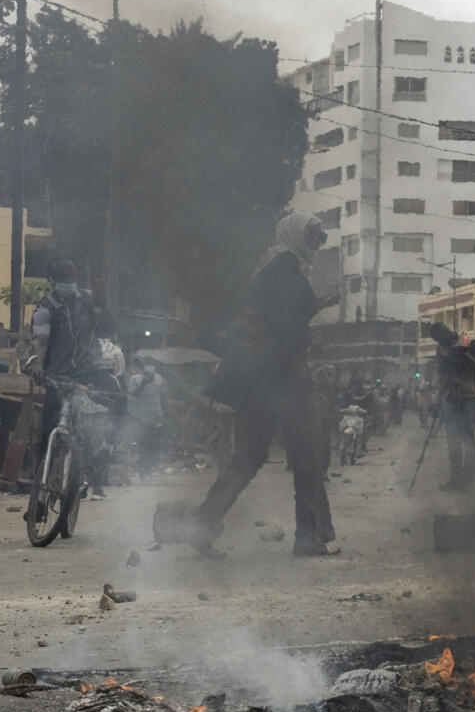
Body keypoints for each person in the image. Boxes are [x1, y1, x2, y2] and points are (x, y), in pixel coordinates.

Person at [192, 213, 340, 558]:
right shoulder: (287, 271)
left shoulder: (271, 268)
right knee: (307, 460)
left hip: (257, 381)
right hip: (287, 379)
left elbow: (277, 320)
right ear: (294, 236)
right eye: (312, 237)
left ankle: (201, 525)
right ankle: (309, 537)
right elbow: (287, 331)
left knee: (247, 457)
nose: (316, 244)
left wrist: (314, 307)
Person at [27, 258, 120, 505]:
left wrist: (103, 305)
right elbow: (41, 340)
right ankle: (39, 492)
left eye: (72, 276)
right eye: (64, 278)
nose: (69, 282)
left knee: (105, 418)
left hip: (89, 373)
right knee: (47, 433)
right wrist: (37, 365)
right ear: (52, 280)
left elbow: (106, 330)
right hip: (57, 376)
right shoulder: (46, 307)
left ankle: (95, 466)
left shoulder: (89, 301)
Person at [428, 321, 475, 489]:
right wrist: (438, 399)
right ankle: (455, 479)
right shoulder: (441, 349)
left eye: (442, 336)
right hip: (450, 395)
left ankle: (468, 480)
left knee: (468, 436)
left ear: (447, 330)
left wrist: (463, 355)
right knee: (452, 438)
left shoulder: (467, 341)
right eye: (438, 339)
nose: (442, 341)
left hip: (468, 394)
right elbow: (441, 375)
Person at [128, 360, 167, 477]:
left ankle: (151, 468)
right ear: (142, 367)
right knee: (142, 442)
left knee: (155, 443)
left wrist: (164, 415)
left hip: (157, 416)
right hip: (141, 417)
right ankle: (142, 469)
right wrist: (143, 383)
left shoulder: (160, 378)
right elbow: (130, 395)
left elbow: (163, 397)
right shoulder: (135, 379)